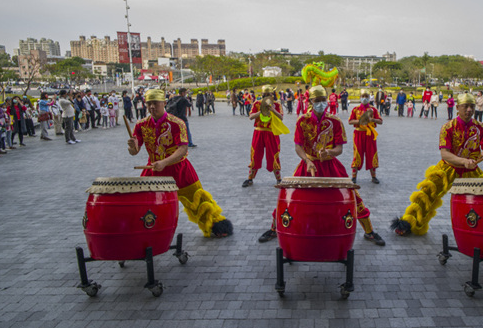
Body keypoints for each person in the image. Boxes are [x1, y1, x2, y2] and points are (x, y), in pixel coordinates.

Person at [257, 85, 384, 245]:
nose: (321, 103)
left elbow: (339, 148)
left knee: (353, 196)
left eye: (323, 100)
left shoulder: (335, 121)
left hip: (331, 166)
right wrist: (308, 160)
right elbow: (298, 146)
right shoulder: (302, 121)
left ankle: (369, 231)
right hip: (307, 166)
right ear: (310, 101)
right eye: (317, 100)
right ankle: (274, 228)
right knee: (288, 197)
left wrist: (330, 153)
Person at [128, 89, 232, 238]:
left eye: (155, 103)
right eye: (149, 103)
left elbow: (183, 149)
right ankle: (149, 230)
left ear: (164, 103)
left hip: (179, 169)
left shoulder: (177, 123)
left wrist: (164, 162)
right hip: (154, 170)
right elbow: (134, 151)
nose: (152, 107)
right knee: (145, 203)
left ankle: (216, 225)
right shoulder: (141, 125)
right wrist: (132, 146)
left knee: (197, 200)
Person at [392, 93, 483, 236]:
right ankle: (409, 223)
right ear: (457, 108)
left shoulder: (481, 128)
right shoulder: (448, 127)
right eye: (466, 106)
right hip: (448, 167)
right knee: (427, 194)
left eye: (472, 106)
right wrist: (464, 161)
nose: (469, 110)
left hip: (471, 170)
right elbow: (445, 154)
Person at [243, 85, 286, 187]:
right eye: (264, 95)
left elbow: (281, 117)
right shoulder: (257, 103)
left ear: (272, 95)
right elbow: (251, 117)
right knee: (255, 154)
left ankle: (279, 179)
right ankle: (250, 178)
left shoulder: (276, 104)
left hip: (271, 132)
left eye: (268, 94)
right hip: (259, 132)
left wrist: (272, 110)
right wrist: (260, 111)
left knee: (273, 154)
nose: (266, 96)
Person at [348, 90, 383, 184]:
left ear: (369, 98)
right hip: (359, 134)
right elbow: (350, 121)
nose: (364, 98)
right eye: (363, 96)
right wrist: (360, 121)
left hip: (370, 134)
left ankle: (374, 176)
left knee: (371, 153)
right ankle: (354, 176)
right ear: (360, 98)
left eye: (366, 97)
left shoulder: (373, 109)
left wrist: (373, 120)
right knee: (357, 153)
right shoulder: (356, 109)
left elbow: (380, 121)